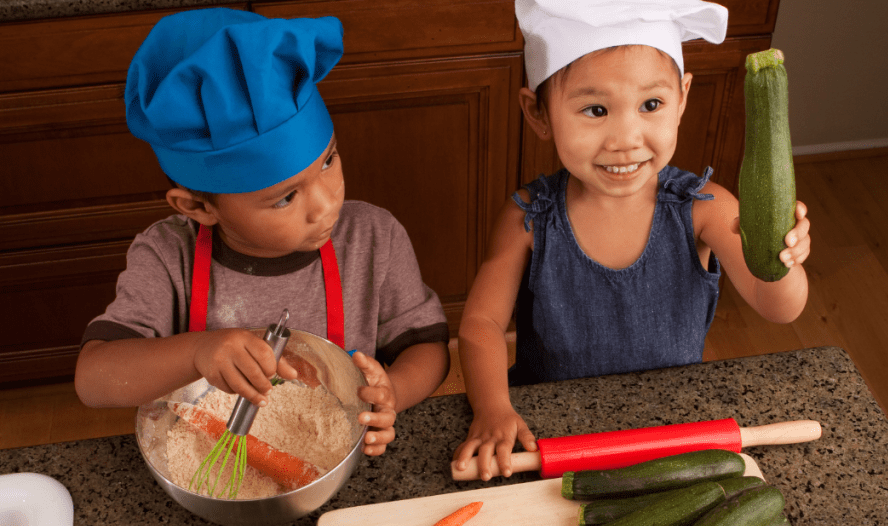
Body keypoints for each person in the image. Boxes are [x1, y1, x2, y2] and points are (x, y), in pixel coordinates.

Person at [452, 0, 811, 479]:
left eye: (651, 105)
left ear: (682, 98)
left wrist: (783, 256)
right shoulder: (530, 217)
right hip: (552, 437)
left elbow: (779, 307)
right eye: (596, 109)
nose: (626, 137)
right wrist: (494, 407)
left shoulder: (705, 206)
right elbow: (480, 324)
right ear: (538, 113)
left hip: (668, 431)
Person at [74, 8, 451, 457]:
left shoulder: (372, 238)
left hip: (342, 460)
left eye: (328, 161)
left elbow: (429, 346)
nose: (327, 204)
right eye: (285, 198)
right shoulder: (167, 256)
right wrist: (199, 352)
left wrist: (395, 391)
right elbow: (93, 378)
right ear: (199, 206)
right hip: (205, 464)